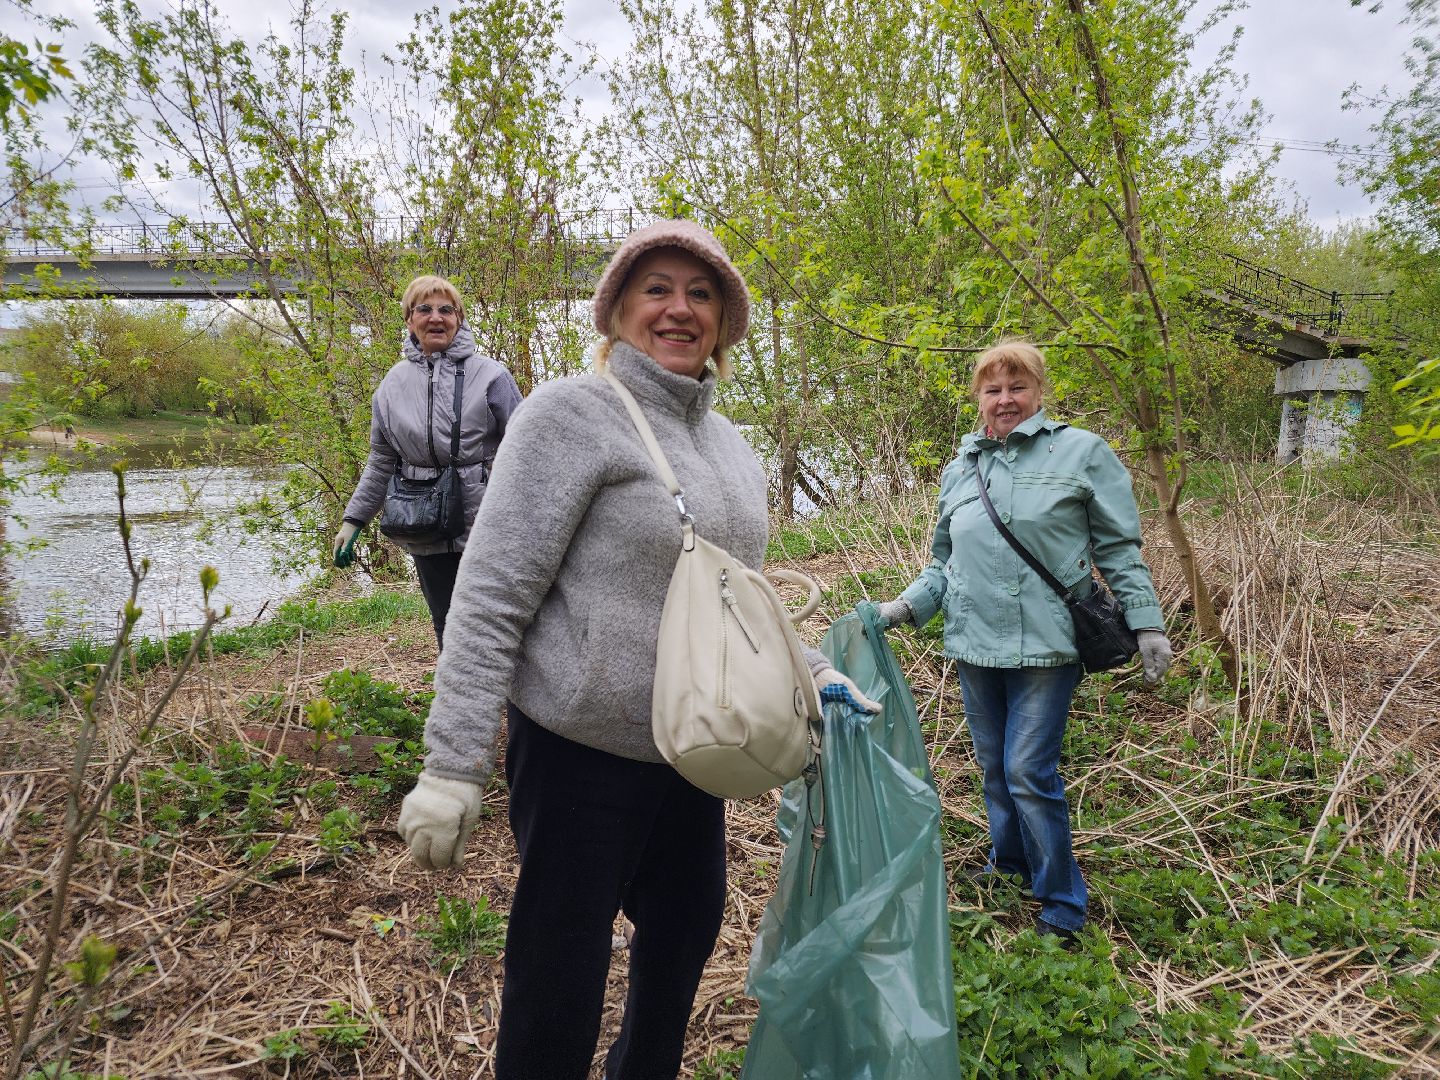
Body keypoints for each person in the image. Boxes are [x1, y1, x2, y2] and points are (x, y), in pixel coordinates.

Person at [394, 220, 875, 1080]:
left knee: (685, 936)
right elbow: (492, 593)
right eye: (656, 288)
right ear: (615, 308)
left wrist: (814, 672)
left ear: (725, 321)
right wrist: (453, 762)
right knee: (558, 971)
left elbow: (737, 600)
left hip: (696, 747)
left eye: (700, 294)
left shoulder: (729, 446)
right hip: (581, 751)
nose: (678, 309)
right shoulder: (566, 416)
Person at [875, 339, 1173, 945]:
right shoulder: (962, 468)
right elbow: (945, 564)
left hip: (1046, 646)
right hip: (973, 644)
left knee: (1027, 771)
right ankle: (1008, 865)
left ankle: (1062, 901)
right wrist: (904, 606)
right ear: (978, 399)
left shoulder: (1083, 452)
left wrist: (1146, 622)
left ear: (1039, 392)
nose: (1005, 399)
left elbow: (1118, 549)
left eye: (1017, 387)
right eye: (993, 389)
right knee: (993, 768)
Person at [331, 275, 522, 648]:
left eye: (446, 309)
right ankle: (459, 701)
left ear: (459, 319)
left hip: (488, 523)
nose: (436, 317)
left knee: (499, 621)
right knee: (447, 625)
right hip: (426, 524)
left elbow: (529, 445)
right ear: (409, 320)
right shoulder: (391, 385)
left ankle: (513, 703)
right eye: (425, 309)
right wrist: (354, 520)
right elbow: (381, 459)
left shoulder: (492, 376)